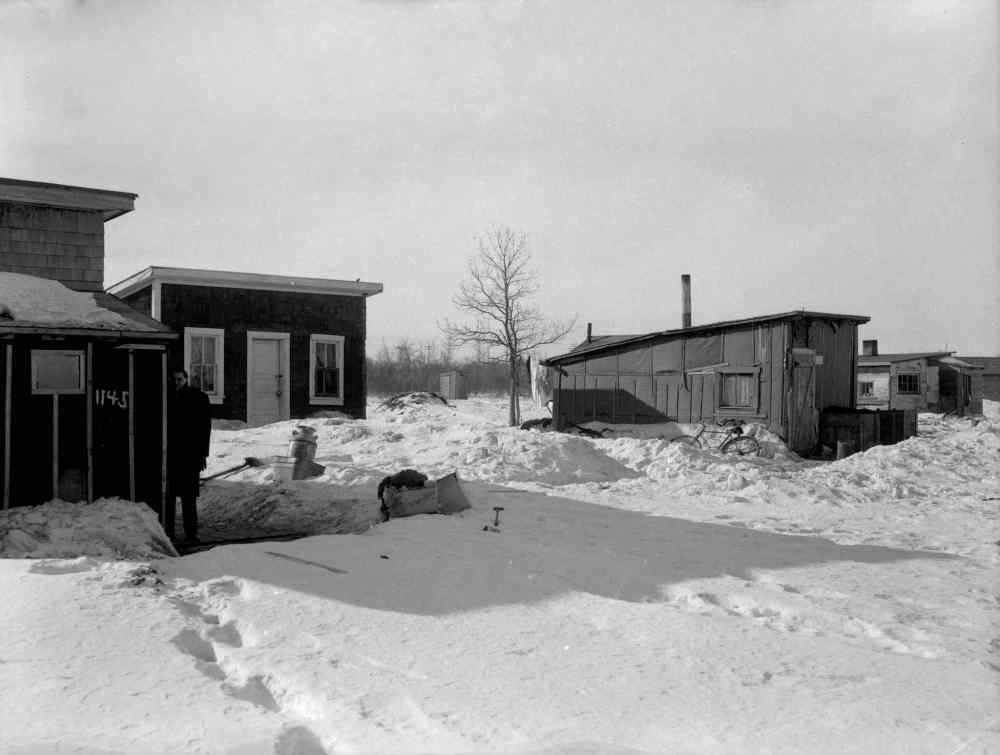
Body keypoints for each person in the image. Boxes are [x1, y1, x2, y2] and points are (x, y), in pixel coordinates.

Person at [166, 369, 211, 543]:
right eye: (174, 379)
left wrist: (203, 455)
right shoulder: (167, 397)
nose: (177, 383)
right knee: (169, 496)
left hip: (190, 455)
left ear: (186, 379)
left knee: (189, 497)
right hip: (171, 455)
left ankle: (191, 534)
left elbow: (204, 429)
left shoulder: (198, 397)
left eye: (180, 379)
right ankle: (169, 532)